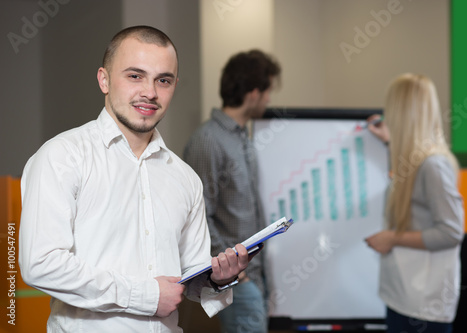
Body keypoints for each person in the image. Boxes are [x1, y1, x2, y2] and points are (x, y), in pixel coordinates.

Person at [19, 25, 252, 333]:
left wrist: (217, 279)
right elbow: (41, 264)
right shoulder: (62, 156)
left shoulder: (185, 179)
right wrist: (144, 296)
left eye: (163, 80)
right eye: (134, 76)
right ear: (104, 79)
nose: (150, 92)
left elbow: (188, 279)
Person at [183, 50, 281, 333]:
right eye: (267, 92)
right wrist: (236, 273)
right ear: (253, 93)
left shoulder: (241, 137)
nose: (269, 99)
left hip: (254, 277)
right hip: (236, 280)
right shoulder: (208, 140)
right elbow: (198, 214)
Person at [365, 73, 464, 333]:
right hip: (405, 295)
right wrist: (388, 142)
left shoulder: (433, 166)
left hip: (423, 305)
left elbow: (451, 232)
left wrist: (393, 238)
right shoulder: (416, 161)